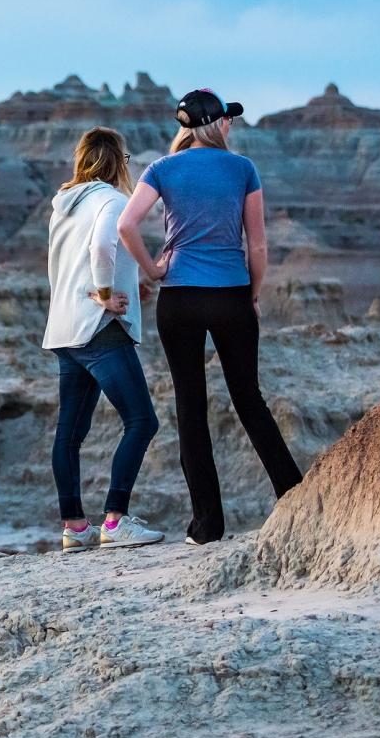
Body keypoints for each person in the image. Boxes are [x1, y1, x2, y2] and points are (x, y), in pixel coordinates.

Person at [116, 89, 302, 545]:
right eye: (227, 119)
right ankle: (294, 498)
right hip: (231, 295)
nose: (231, 125)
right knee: (249, 400)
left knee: (191, 407)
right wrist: (253, 293)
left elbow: (126, 225)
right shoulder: (243, 169)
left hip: (178, 298)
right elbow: (257, 245)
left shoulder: (162, 168)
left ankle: (207, 526)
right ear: (217, 124)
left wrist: (153, 269)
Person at [42, 127, 165, 552]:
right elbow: (100, 250)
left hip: (64, 329)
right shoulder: (113, 200)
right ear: (116, 161)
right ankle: (115, 520)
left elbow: (72, 262)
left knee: (70, 433)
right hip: (98, 330)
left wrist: (123, 287)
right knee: (142, 421)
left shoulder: (63, 206)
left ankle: (75, 528)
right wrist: (106, 295)